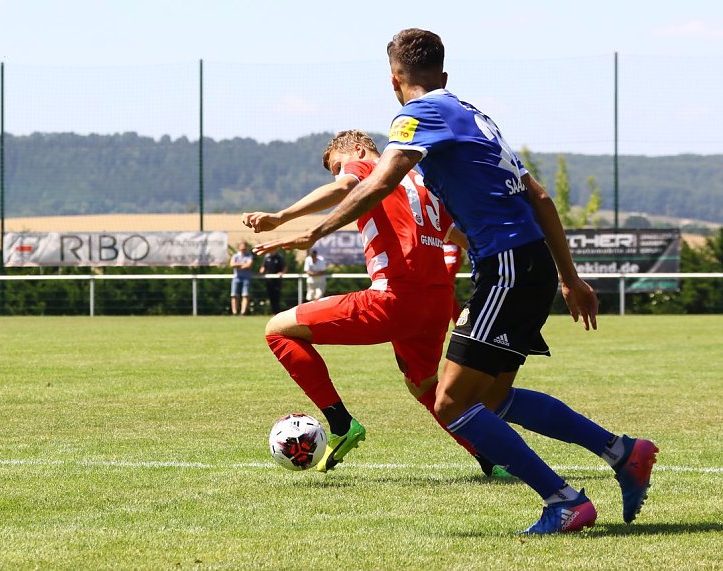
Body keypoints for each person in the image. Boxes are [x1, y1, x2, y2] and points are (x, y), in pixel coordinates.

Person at [252, 29, 657, 535]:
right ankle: (623, 452)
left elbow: (378, 181)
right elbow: (542, 199)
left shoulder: (414, 117)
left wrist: (310, 231)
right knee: (491, 399)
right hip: (528, 263)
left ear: (395, 80)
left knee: (450, 401)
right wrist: (569, 278)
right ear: (443, 76)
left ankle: (564, 499)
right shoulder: (478, 120)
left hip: (505, 266)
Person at [245, 129, 486, 475]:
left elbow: (344, 187)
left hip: (394, 297)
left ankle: (341, 424)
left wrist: (281, 217)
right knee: (423, 386)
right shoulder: (419, 178)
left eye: (338, 165)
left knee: (277, 330)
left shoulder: (368, 170)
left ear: (357, 149)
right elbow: (456, 233)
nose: (340, 173)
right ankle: (493, 456)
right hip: (435, 302)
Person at [260, 248, 287, 314]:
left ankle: (277, 312)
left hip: (277, 281)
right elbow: (263, 267)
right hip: (269, 281)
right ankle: (273, 312)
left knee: (277, 297)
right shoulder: (266, 257)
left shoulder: (279, 257)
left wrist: (282, 273)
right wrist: (261, 271)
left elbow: (284, 267)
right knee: (270, 297)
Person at [230, 241, 253, 315]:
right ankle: (234, 312)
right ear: (239, 247)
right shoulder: (235, 256)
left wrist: (238, 265)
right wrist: (243, 264)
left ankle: (243, 312)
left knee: (245, 295)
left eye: (244, 247)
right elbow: (232, 264)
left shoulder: (249, 256)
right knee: (234, 295)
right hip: (236, 277)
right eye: (242, 247)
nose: (243, 249)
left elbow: (249, 265)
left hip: (246, 278)